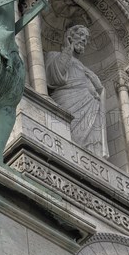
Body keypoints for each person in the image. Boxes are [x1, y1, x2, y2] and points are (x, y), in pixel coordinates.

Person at [45, 25, 109, 158]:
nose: (84, 41)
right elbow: (54, 78)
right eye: (80, 36)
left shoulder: (85, 68)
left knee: (91, 143)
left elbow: (99, 89)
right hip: (67, 100)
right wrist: (68, 50)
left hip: (90, 107)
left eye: (85, 39)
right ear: (69, 37)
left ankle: (93, 160)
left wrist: (98, 88)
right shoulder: (54, 55)